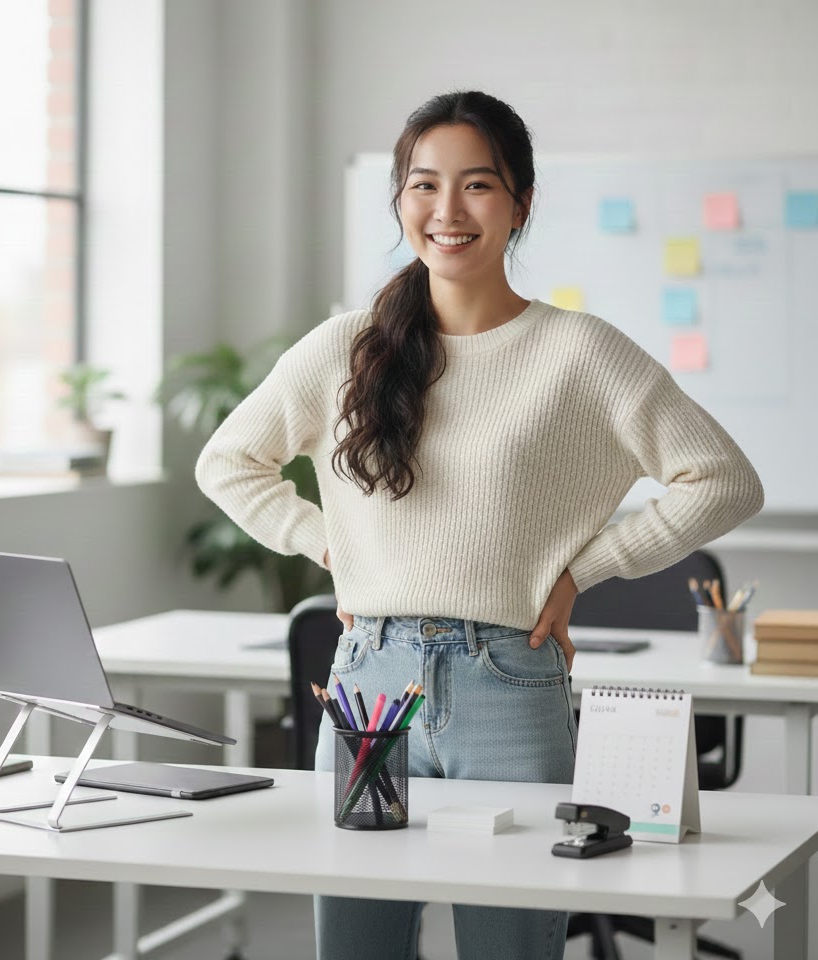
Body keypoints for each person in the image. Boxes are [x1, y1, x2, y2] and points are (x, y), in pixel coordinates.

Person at [195, 89, 764, 960]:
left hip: (509, 685)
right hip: (366, 685)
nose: (447, 211)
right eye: (423, 185)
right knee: (357, 948)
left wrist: (585, 569)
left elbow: (722, 479)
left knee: (509, 947)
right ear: (400, 201)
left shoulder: (580, 352)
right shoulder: (344, 348)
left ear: (520, 204)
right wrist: (327, 543)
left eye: (478, 186)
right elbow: (227, 462)